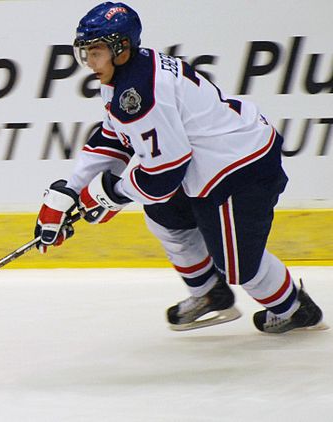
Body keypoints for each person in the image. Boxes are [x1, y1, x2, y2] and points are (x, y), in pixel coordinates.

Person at [34, 1, 326, 334]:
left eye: (96, 51)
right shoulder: (125, 75)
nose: (89, 61)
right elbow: (113, 137)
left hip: (240, 169)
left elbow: (164, 173)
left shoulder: (139, 93)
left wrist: (109, 195)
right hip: (208, 164)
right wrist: (71, 189)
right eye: (85, 51)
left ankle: (294, 308)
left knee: (239, 266)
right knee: (163, 213)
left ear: (121, 48)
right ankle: (209, 294)